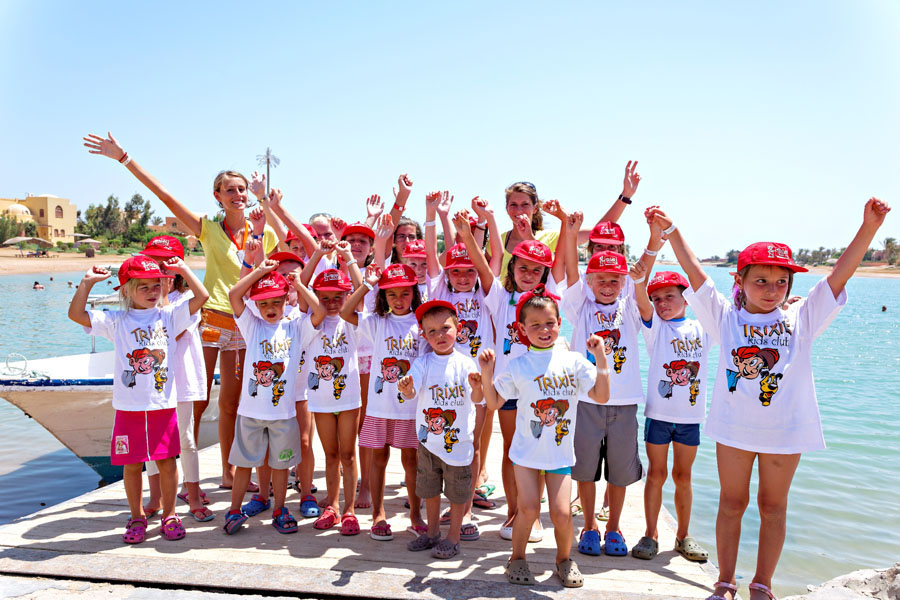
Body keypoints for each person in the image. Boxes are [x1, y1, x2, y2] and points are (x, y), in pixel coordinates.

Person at [649, 198, 891, 600]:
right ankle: (725, 581)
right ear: (740, 281)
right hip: (734, 429)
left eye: (781, 282)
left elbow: (837, 277)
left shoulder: (802, 317)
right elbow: (694, 274)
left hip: (787, 430)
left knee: (773, 507)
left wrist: (869, 227)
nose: (772, 289)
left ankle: (762, 584)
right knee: (731, 503)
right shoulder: (724, 316)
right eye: (760, 280)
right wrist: (672, 231)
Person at [83, 132, 279, 492]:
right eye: (230, 190)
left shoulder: (263, 234)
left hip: (243, 322)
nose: (238, 195)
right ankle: (183, 480)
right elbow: (165, 197)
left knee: (232, 404)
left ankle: (227, 472)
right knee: (194, 401)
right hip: (209, 321)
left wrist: (267, 203)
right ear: (218, 197)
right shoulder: (208, 229)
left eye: (242, 189)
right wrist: (124, 158)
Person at [67, 255, 209, 543]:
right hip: (129, 409)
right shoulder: (116, 320)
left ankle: (170, 514)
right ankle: (136, 516)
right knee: (132, 464)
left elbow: (202, 296)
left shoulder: (168, 315)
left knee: (168, 461)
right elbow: (76, 315)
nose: (151, 291)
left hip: (163, 406)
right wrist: (86, 284)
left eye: (156, 285)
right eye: (143, 286)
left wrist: (183, 269)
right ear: (126, 290)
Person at [480, 287, 611, 587]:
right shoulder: (518, 365)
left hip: (559, 455)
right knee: (528, 508)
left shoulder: (575, 361)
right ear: (523, 330)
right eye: (535, 325)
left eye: (549, 323)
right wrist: (487, 374)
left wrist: (600, 357)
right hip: (526, 453)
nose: (544, 329)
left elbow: (601, 396)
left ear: (559, 322)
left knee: (563, 514)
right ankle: (517, 558)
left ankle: (564, 559)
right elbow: (493, 402)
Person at [461, 205, 569, 542]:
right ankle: (515, 513)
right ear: (514, 267)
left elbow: (562, 263)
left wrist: (566, 224)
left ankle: (533, 515)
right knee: (513, 449)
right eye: (523, 267)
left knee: (536, 448)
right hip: (508, 388)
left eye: (537, 270)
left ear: (544, 275)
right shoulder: (501, 297)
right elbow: (480, 263)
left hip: (540, 389)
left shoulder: (551, 299)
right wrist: (467, 235)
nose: (529, 274)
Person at [626, 216, 709, 562]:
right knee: (656, 474)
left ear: (686, 298)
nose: (662, 303)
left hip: (690, 418)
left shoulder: (704, 326)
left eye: (670, 297)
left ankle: (684, 535)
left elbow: (725, 300)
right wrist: (641, 278)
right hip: (658, 416)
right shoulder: (655, 328)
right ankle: (650, 534)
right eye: (658, 298)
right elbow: (641, 297)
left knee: (683, 476)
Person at [562, 211, 644, 558]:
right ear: (589, 281)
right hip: (587, 401)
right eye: (601, 281)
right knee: (584, 468)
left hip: (624, 403)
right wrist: (569, 233)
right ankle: (590, 527)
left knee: (621, 471)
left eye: (614, 280)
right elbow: (570, 269)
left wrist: (656, 238)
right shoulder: (579, 305)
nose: (607, 287)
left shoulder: (633, 307)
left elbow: (640, 276)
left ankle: (614, 528)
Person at [223, 259, 324, 535]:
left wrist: (300, 285)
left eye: (276, 303)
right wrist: (260, 272)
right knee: (244, 463)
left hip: (284, 415)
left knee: (281, 465)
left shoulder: (295, 328)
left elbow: (320, 310)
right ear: (255, 305)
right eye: (264, 303)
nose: (270, 309)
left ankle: (280, 508)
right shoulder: (251, 326)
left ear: (284, 301)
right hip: (250, 413)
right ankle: (234, 510)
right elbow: (234, 294)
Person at [339, 262, 426, 541]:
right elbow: (344, 311)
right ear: (382, 297)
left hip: (411, 408)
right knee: (379, 458)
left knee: (411, 461)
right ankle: (379, 514)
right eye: (391, 295)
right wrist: (367, 284)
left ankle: (415, 515)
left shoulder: (422, 325)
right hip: (379, 406)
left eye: (404, 293)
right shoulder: (377, 323)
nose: (399, 300)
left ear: (414, 293)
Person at [398, 300, 483, 559]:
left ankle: (453, 536)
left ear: (458, 328)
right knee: (430, 490)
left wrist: (478, 385)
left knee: (458, 493)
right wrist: (406, 388)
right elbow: (412, 392)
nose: (439, 336)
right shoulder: (423, 363)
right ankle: (432, 532)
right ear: (423, 335)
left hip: (458, 445)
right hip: (428, 443)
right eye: (432, 331)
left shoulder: (467, 364)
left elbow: (478, 399)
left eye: (445, 328)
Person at [140, 236, 213, 523]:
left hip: (180, 380)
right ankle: (155, 496)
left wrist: (168, 291)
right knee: (152, 442)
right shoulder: (141, 301)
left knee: (184, 439)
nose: (158, 271)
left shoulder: (184, 300)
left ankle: (192, 495)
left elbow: (171, 331)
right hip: (152, 383)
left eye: (165, 265)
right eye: (153, 263)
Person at [303, 259, 365, 535]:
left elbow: (362, 292)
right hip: (322, 400)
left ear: (346, 296)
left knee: (349, 455)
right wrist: (303, 277)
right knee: (330, 455)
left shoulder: (351, 321)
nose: (330, 303)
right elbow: (304, 290)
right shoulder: (310, 322)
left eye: (337, 297)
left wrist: (350, 260)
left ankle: (349, 508)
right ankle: (334, 507)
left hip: (349, 398)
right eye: (324, 297)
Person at [497, 162, 641, 280]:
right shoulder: (497, 242)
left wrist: (626, 195)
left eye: (525, 205)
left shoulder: (550, 238)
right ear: (506, 208)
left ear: (535, 209)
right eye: (513, 205)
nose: (519, 210)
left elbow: (599, 231)